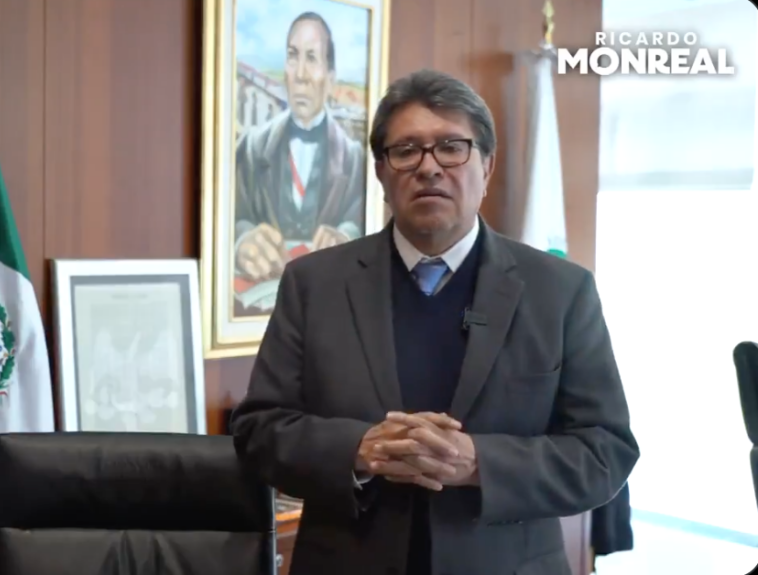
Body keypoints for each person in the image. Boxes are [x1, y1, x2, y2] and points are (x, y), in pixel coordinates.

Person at [229, 68, 639, 575]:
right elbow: (259, 430)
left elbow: (605, 452)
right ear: (381, 173)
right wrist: (359, 450)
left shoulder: (560, 291)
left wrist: (478, 462)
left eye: (451, 147)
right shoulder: (313, 284)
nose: (429, 167)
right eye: (406, 151)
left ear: (487, 166)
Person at [233, 11, 367, 285]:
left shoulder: (355, 160)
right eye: (293, 56)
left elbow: (364, 226)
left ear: (331, 78)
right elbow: (230, 217)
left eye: (312, 58)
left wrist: (345, 239)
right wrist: (242, 241)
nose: (301, 75)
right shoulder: (250, 148)